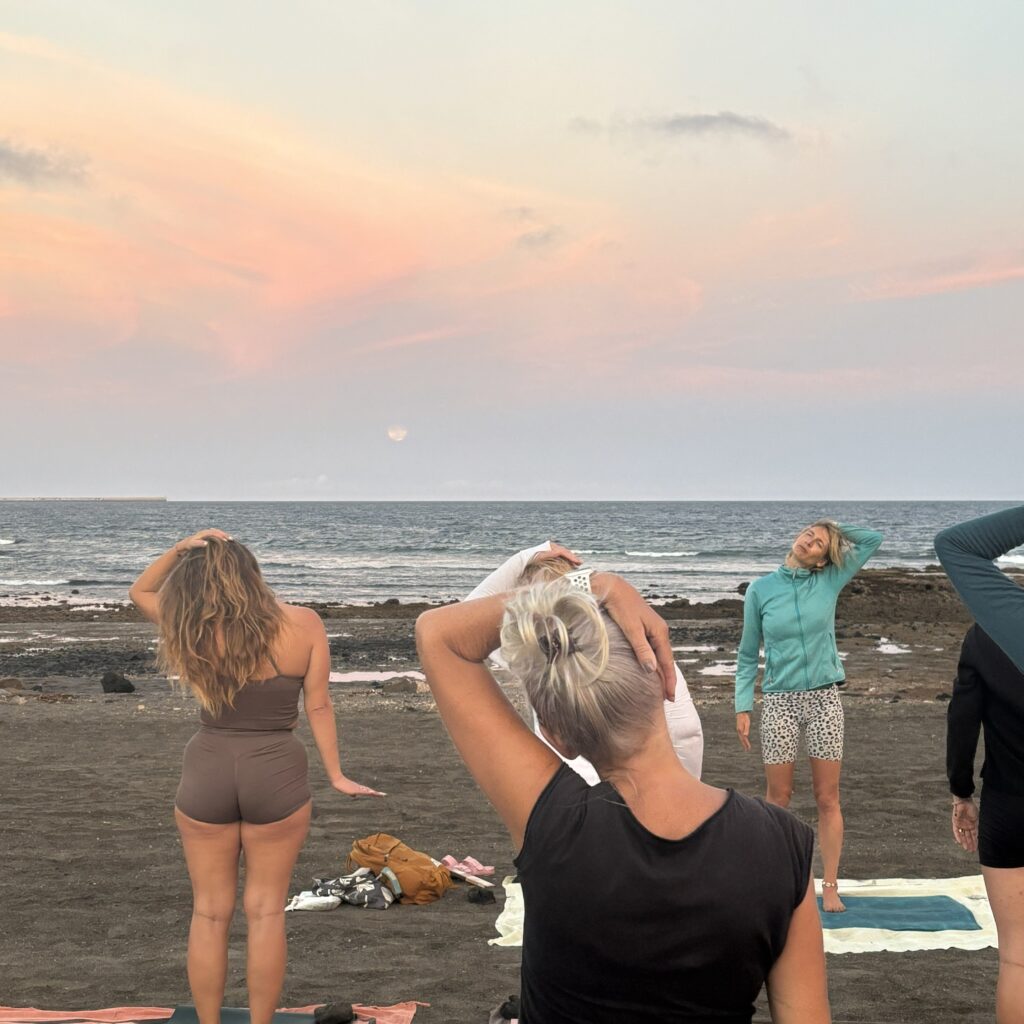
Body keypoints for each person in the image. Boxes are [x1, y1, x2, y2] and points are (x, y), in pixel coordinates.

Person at [416, 570, 829, 1023]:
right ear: (665, 681)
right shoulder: (782, 844)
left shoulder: (552, 821)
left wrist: (592, 584)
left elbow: (438, 634)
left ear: (556, 737)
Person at [129, 529, 383, 1024]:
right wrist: (336, 774)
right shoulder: (302, 623)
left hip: (208, 768)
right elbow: (318, 704)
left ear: (199, 580)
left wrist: (183, 547)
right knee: (266, 912)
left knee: (209, 912)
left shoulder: (189, 626)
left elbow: (140, 591)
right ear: (254, 575)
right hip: (277, 773)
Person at [734, 519, 883, 913]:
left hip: (823, 700)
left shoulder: (829, 581)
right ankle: (776, 882)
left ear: (823, 559)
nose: (809, 541)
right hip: (780, 701)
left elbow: (873, 540)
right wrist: (742, 704)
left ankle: (830, 884)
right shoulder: (760, 590)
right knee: (777, 798)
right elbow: (749, 654)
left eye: (818, 543)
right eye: (807, 534)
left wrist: (833, 526)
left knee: (827, 798)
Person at [465, 539, 704, 780]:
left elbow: (457, 618)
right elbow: (687, 731)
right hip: (669, 791)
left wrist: (525, 557)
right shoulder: (637, 649)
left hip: (573, 792)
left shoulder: (530, 654)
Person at [936, 505, 1024, 1024]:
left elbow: (963, 719)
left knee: (1016, 955)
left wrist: (961, 791)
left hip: (1010, 807)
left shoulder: (994, 630)